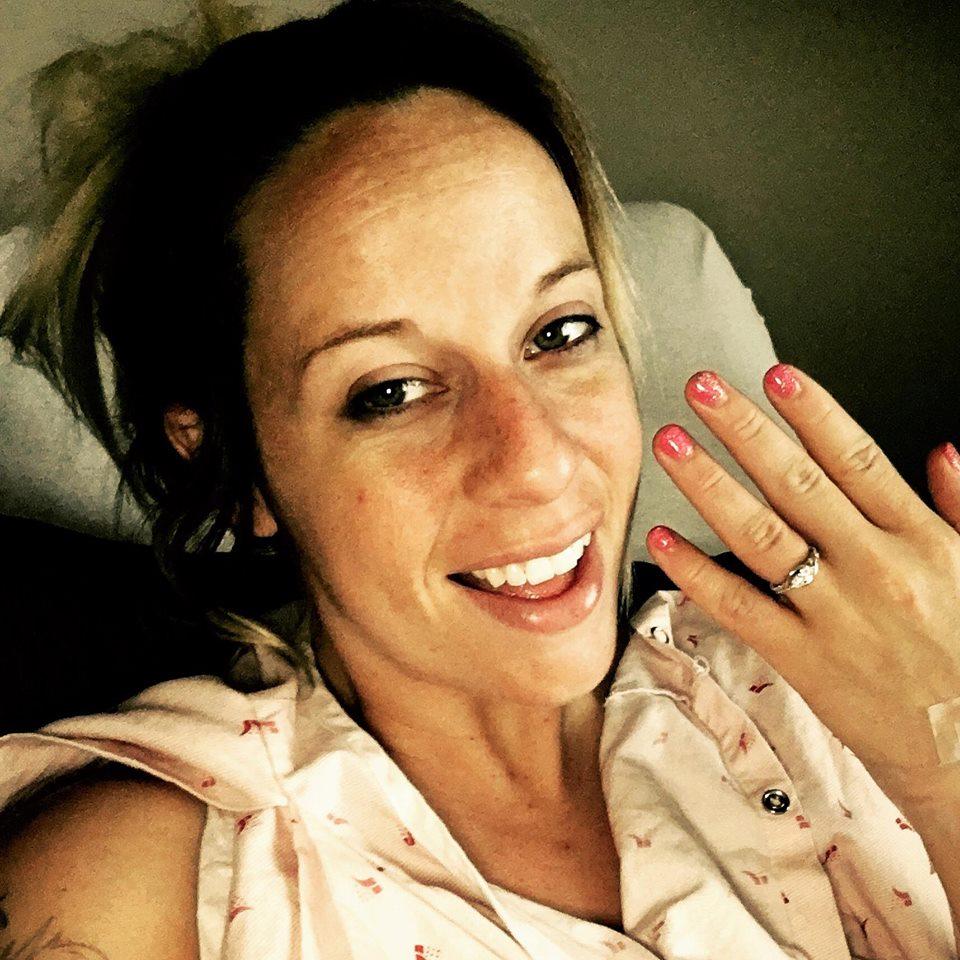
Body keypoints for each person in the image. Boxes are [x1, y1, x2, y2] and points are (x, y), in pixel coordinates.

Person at [1, 1, 959, 957]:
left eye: (560, 332)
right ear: (233, 464)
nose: (539, 461)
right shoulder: (139, 887)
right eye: (390, 392)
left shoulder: (862, 680)